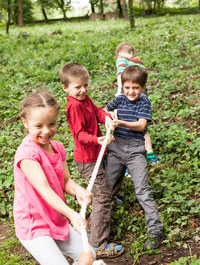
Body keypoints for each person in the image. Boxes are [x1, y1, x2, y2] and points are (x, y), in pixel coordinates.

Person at [13, 89, 96, 265]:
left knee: (89, 254)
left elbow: (66, 180)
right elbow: (44, 189)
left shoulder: (57, 147)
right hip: (33, 224)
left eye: (51, 124)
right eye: (38, 125)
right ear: (25, 122)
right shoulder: (27, 154)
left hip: (55, 218)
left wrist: (78, 190)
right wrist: (72, 215)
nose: (46, 131)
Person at [59, 62, 124, 258]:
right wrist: (97, 139)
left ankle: (107, 196)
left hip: (98, 153)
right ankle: (97, 244)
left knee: (116, 167)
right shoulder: (74, 106)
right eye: (77, 87)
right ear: (66, 88)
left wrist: (105, 117)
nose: (82, 90)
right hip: (87, 160)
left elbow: (96, 110)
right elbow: (79, 135)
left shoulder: (85, 99)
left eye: (85, 85)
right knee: (102, 196)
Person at [105, 66, 164, 249]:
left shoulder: (144, 101)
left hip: (135, 149)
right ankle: (99, 229)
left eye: (135, 88)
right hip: (116, 146)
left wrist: (121, 122)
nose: (130, 92)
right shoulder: (120, 98)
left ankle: (156, 230)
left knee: (142, 190)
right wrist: (109, 116)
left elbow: (141, 125)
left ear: (143, 87)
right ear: (122, 87)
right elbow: (105, 111)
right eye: (127, 87)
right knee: (106, 186)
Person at [115, 42, 158, 164]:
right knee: (142, 126)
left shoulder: (121, 61)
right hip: (142, 94)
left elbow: (120, 74)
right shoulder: (139, 62)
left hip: (129, 97)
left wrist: (120, 91)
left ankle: (130, 159)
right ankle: (150, 154)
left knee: (129, 128)